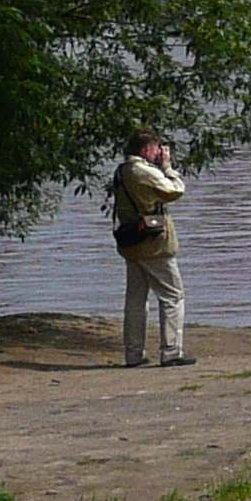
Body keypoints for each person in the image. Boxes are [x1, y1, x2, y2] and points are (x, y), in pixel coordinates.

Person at [109, 129, 191, 368]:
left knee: (136, 299)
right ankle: (171, 352)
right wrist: (167, 166)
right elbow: (175, 190)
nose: (159, 153)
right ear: (146, 150)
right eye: (157, 149)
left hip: (131, 242)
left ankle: (134, 355)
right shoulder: (143, 171)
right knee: (173, 296)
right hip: (154, 246)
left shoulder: (122, 170)